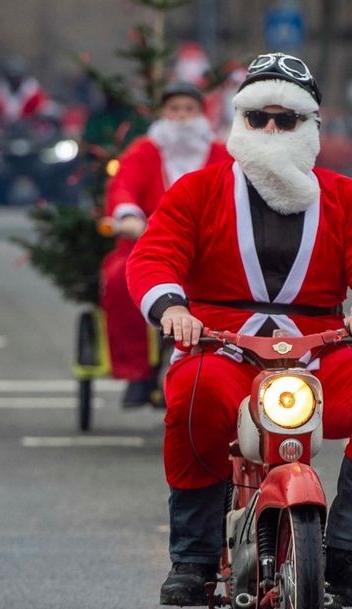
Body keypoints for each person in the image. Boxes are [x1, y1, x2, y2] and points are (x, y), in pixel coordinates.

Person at [126, 53, 352, 608]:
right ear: (240, 122)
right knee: (193, 395)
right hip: (220, 346)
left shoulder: (346, 197)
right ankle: (192, 557)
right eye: (258, 118)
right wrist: (172, 308)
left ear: (310, 127)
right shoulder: (196, 191)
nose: (269, 130)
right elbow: (154, 256)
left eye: (284, 120)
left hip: (319, 352)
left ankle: (351, 551)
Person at [102, 81, 231, 408]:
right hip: (148, 245)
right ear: (163, 114)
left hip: (210, 250)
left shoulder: (220, 153)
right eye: (175, 110)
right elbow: (123, 186)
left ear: (201, 114)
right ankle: (137, 372)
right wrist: (128, 215)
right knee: (119, 281)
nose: (182, 118)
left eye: (189, 109)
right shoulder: (146, 151)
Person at [0, 56, 52, 129]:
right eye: (11, 78)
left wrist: (46, 111)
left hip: (30, 130)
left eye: (17, 78)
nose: (14, 81)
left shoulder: (32, 91)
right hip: (3, 131)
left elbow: (43, 105)